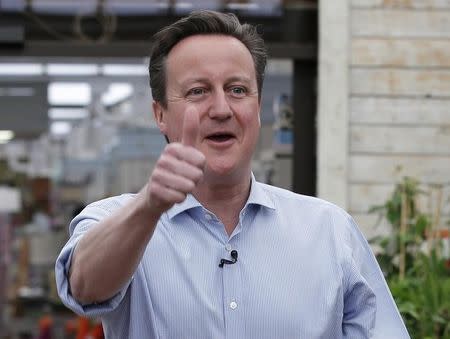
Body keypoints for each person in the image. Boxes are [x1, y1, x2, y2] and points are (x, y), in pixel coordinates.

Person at [56, 10, 410, 339]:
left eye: (237, 90)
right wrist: (149, 206)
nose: (222, 109)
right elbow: (84, 287)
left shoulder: (330, 231)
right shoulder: (116, 219)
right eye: (198, 92)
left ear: (257, 107)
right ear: (160, 114)